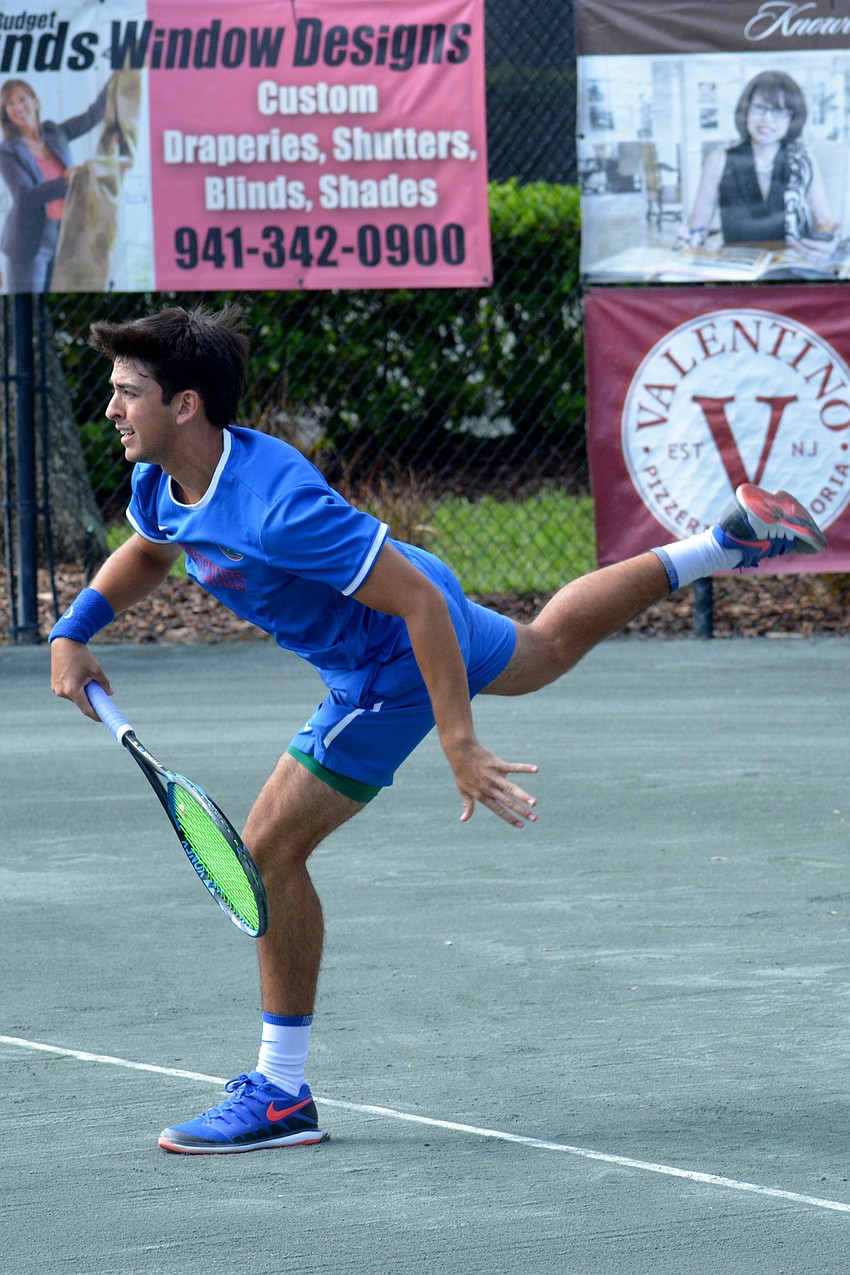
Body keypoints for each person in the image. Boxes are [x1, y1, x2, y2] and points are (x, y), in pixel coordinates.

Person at [49, 304, 828, 1154]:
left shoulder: (278, 506)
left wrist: (459, 743)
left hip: (392, 660)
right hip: (416, 599)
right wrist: (74, 629)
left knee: (268, 853)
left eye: (128, 393)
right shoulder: (164, 480)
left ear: (186, 405)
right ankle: (723, 544)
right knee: (544, 647)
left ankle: (279, 1095)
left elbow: (415, 609)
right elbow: (154, 548)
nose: (113, 410)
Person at [675, 70, 838, 256]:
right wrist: (688, 239)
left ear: (792, 118)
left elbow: (824, 221)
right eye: (759, 108)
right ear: (746, 111)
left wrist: (830, 238)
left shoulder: (803, 159)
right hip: (736, 270)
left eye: (778, 111)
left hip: (793, 266)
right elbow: (697, 227)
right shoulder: (718, 160)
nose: (767, 119)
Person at [0, 78, 108, 292]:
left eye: (22, 100)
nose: (18, 107)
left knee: (49, 304)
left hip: (63, 234)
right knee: (26, 307)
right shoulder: (8, 150)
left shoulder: (54, 132)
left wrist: (120, 75)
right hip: (29, 241)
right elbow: (24, 197)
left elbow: (93, 116)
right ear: (6, 113)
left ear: (35, 101)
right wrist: (65, 180)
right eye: (10, 104)